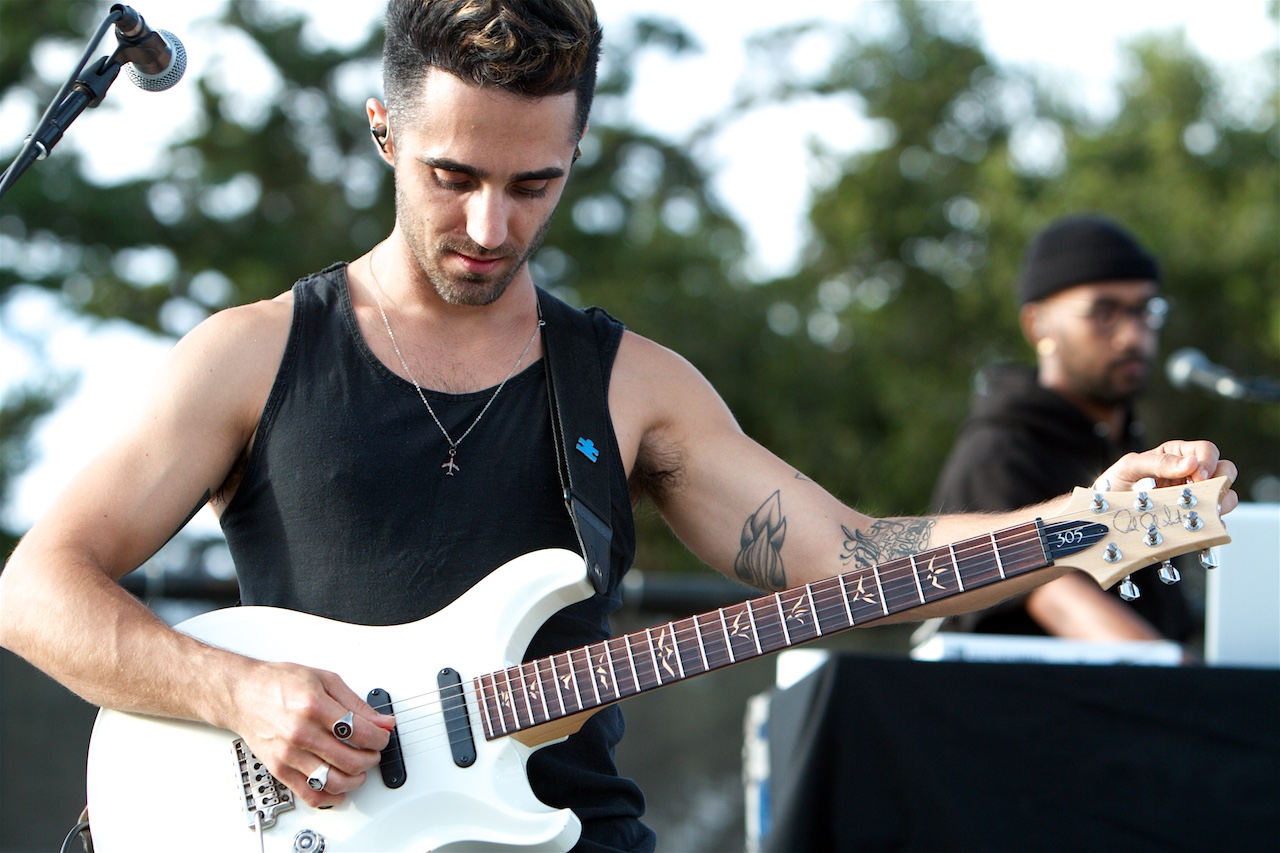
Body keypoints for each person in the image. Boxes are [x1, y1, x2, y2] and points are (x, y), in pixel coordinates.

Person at [0, 4, 1237, 851]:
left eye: (532, 184)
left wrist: (1080, 521)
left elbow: (850, 559)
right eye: (451, 177)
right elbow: (34, 590)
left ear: (574, 153)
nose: (489, 226)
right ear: (385, 133)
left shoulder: (632, 384)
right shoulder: (255, 350)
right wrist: (237, 691)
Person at [931, 214, 1193, 642]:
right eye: (1103, 313)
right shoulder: (1001, 447)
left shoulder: (1128, 445)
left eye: (1145, 310)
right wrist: (1181, 674)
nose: (1132, 336)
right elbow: (1053, 595)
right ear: (1038, 323)